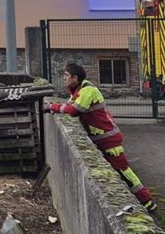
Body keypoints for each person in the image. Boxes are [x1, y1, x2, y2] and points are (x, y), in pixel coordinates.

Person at [48, 62, 156, 212]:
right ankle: (142, 201)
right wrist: (57, 106)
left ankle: (147, 202)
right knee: (114, 172)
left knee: (123, 171)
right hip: (103, 138)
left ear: (75, 78)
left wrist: (53, 107)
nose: (63, 78)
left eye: (66, 76)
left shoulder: (88, 90)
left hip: (109, 139)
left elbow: (74, 110)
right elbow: (69, 105)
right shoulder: (78, 90)